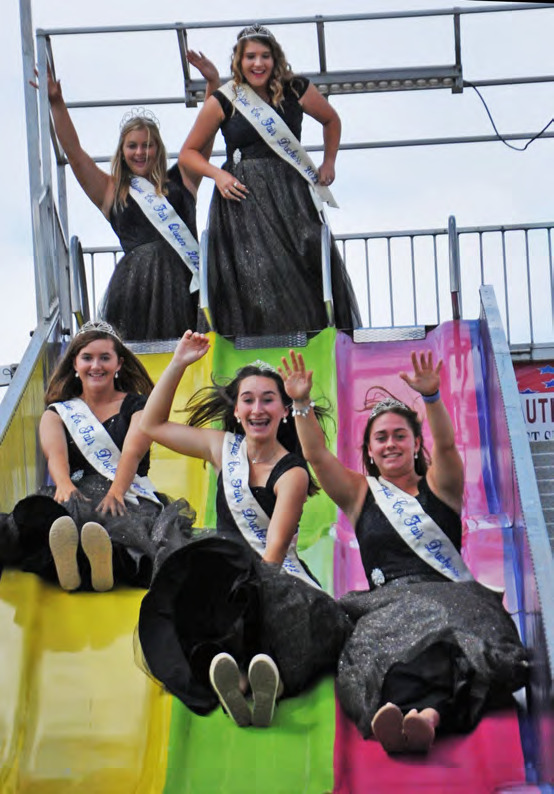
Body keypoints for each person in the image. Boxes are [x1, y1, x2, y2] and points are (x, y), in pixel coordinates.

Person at [280, 349, 528, 753]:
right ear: (371, 451)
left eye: (400, 435)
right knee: (381, 648)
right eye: (381, 437)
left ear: (415, 444)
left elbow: (446, 447)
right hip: (388, 607)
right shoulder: (361, 494)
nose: (391, 443)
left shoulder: (441, 486)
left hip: (453, 596)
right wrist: (301, 404)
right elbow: (316, 456)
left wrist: (431, 398)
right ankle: (416, 718)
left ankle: (424, 720)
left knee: (451, 640)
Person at [136, 329, 350, 728]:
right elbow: (152, 424)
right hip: (223, 564)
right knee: (186, 589)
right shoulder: (222, 447)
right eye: (247, 400)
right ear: (235, 410)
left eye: (268, 399)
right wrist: (179, 362)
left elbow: (271, 554)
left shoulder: (293, 474)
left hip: (270, 575)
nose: (257, 409)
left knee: (268, 612)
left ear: (284, 410)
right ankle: (236, 680)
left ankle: (267, 684)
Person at [179, 25, 361, 338]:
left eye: (264, 56)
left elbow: (332, 119)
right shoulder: (226, 99)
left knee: (300, 268)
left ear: (275, 59)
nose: (258, 63)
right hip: (243, 200)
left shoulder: (296, 88)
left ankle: (308, 341)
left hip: (291, 196)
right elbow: (188, 153)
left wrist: (329, 161)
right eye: (250, 56)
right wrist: (218, 174)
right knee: (255, 275)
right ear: (239, 60)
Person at [35, 52, 219, 340]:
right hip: (136, 289)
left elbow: (205, 134)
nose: (140, 152)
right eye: (132, 146)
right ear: (122, 151)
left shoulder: (182, 179)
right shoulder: (112, 190)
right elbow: (75, 155)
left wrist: (212, 83)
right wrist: (57, 103)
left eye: (147, 145)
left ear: (158, 149)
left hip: (183, 285)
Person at [0, 321, 194, 592]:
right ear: (75, 365)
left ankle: (103, 565)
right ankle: (73, 564)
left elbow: (132, 452)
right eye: (87, 358)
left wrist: (116, 492)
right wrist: (65, 485)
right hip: (76, 492)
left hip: (126, 493)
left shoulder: (138, 406)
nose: (96, 365)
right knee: (42, 519)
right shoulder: (58, 413)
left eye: (105, 357)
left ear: (119, 364)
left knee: (127, 532)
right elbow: (56, 458)